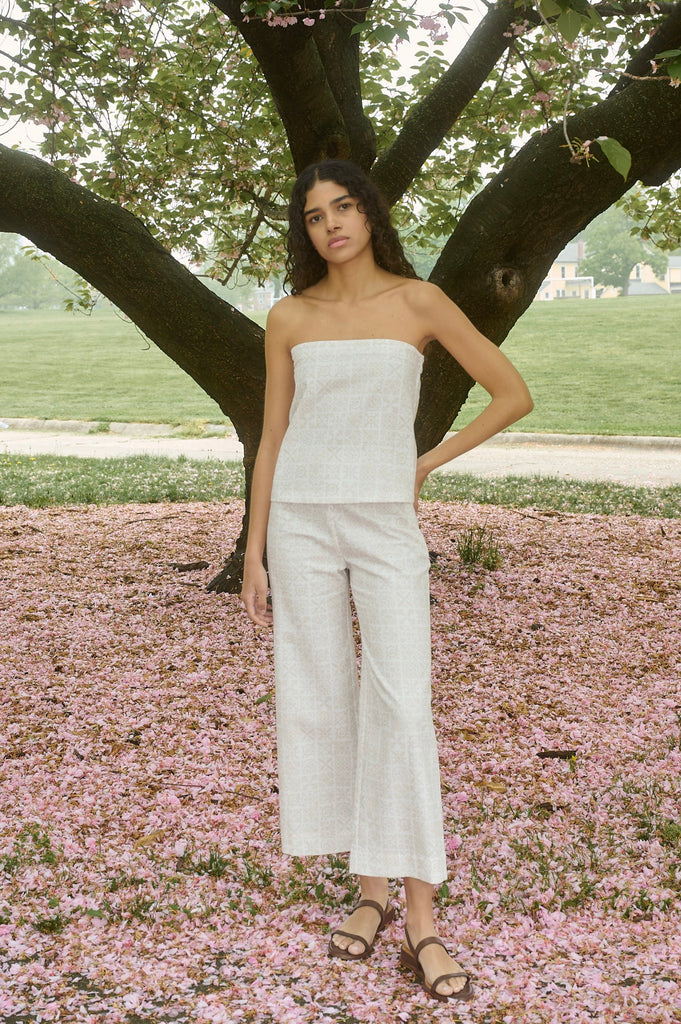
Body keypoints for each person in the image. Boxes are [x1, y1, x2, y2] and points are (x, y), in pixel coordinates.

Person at [241, 159, 533, 1002]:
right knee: (321, 696)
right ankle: (367, 893)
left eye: (343, 207)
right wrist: (255, 549)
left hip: (382, 522)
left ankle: (420, 916)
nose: (329, 224)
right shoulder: (288, 316)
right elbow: (272, 433)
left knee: (402, 701)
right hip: (299, 520)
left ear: (369, 214)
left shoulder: (419, 302)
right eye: (313, 215)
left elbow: (510, 393)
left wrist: (425, 463)